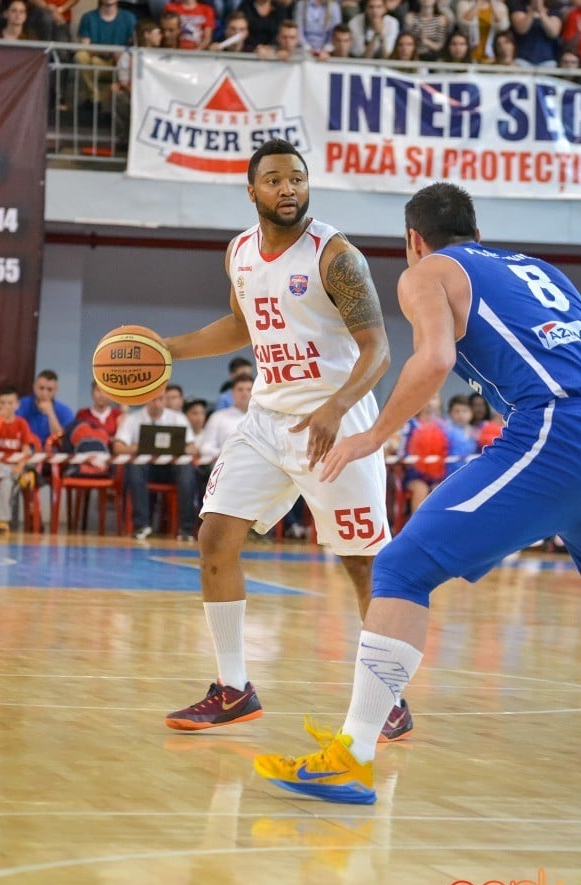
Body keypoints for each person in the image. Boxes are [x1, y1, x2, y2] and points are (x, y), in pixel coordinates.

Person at [253, 180, 581, 804]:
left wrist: (375, 436)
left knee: (400, 566)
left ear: (413, 240)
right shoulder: (537, 269)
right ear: (478, 230)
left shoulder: (429, 273)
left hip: (557, 429)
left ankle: (354, 753)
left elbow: (435, 359)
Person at [163, 138, 413, 744]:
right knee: (215, 538)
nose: (287, 189)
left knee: (361, 564)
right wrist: (168, 349)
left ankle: (391, 701)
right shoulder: (240, 253)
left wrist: (336, 406)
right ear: (252, 191)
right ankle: (233, 689)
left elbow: (378, 348)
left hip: (337, 420)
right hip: (268, 419)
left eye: (296, 179)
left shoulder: (336, 255)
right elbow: (240, 325)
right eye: (273, 180)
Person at [112, 388, 198, 541]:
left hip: (172, 467)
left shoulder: (178, 418)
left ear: (165, 400)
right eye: (153, 399)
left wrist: (177, 450)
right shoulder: (132, 419)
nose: (157, 403)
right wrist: (142, 447)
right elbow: (118, 447)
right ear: (146, 399)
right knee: (134, 468)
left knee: (188, 471)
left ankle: (187, 529)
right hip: (146, 467)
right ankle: (141, 526)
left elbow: (192, 448)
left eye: (161, 399)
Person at [0, 386, 35, 535]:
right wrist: (0, 421)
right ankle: (20, 476)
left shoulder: (21, 423)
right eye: (2, 403)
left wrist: (21, 466)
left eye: (10, 403)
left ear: (17, 405)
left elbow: (26, 450)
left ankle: (2, 522)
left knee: (7, 481)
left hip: (14, 464)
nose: (6, 406)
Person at [75, 0, 136, 107]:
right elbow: (85, 47)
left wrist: (120, 56)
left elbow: (134, 47)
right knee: (81, 56)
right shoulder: (88, 17)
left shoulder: (129, 18)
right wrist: (111, 51)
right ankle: (95, 97)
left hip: (120, 65)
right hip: (96, 62)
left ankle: (99, 100)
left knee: (95, 61)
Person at [197, 373, 253, 467]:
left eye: (249, 389)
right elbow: (205, 448)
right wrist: (228, 453)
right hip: (225, 465)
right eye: (240, 389)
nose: (244, 393)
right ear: (232, 392)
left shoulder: (263, 418)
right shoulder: (217, 417)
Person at [17, 369, 74, 448]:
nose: (44, 393)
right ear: (34, 386)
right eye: (41, 388)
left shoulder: (65, 411)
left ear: (56, 390)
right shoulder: (21, 405)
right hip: (26, 451)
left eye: (49, 389)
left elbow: (63, 442)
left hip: (53, 454)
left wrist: (50, 413)